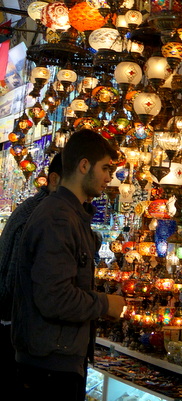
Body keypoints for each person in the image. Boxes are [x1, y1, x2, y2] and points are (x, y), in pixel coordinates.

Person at [12, 129, 127, 401]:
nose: (109, 178)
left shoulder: (70, 215)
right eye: (105, 168)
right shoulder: (59, 219)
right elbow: (54, 297)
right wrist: (105, 303)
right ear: (84, 165)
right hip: (49, 368)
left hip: (55, 360)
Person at [0, 153, 62, 398]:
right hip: (20, 334)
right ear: (55, 180)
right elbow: (19, 282)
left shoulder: (34, 209)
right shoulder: (43, 216)